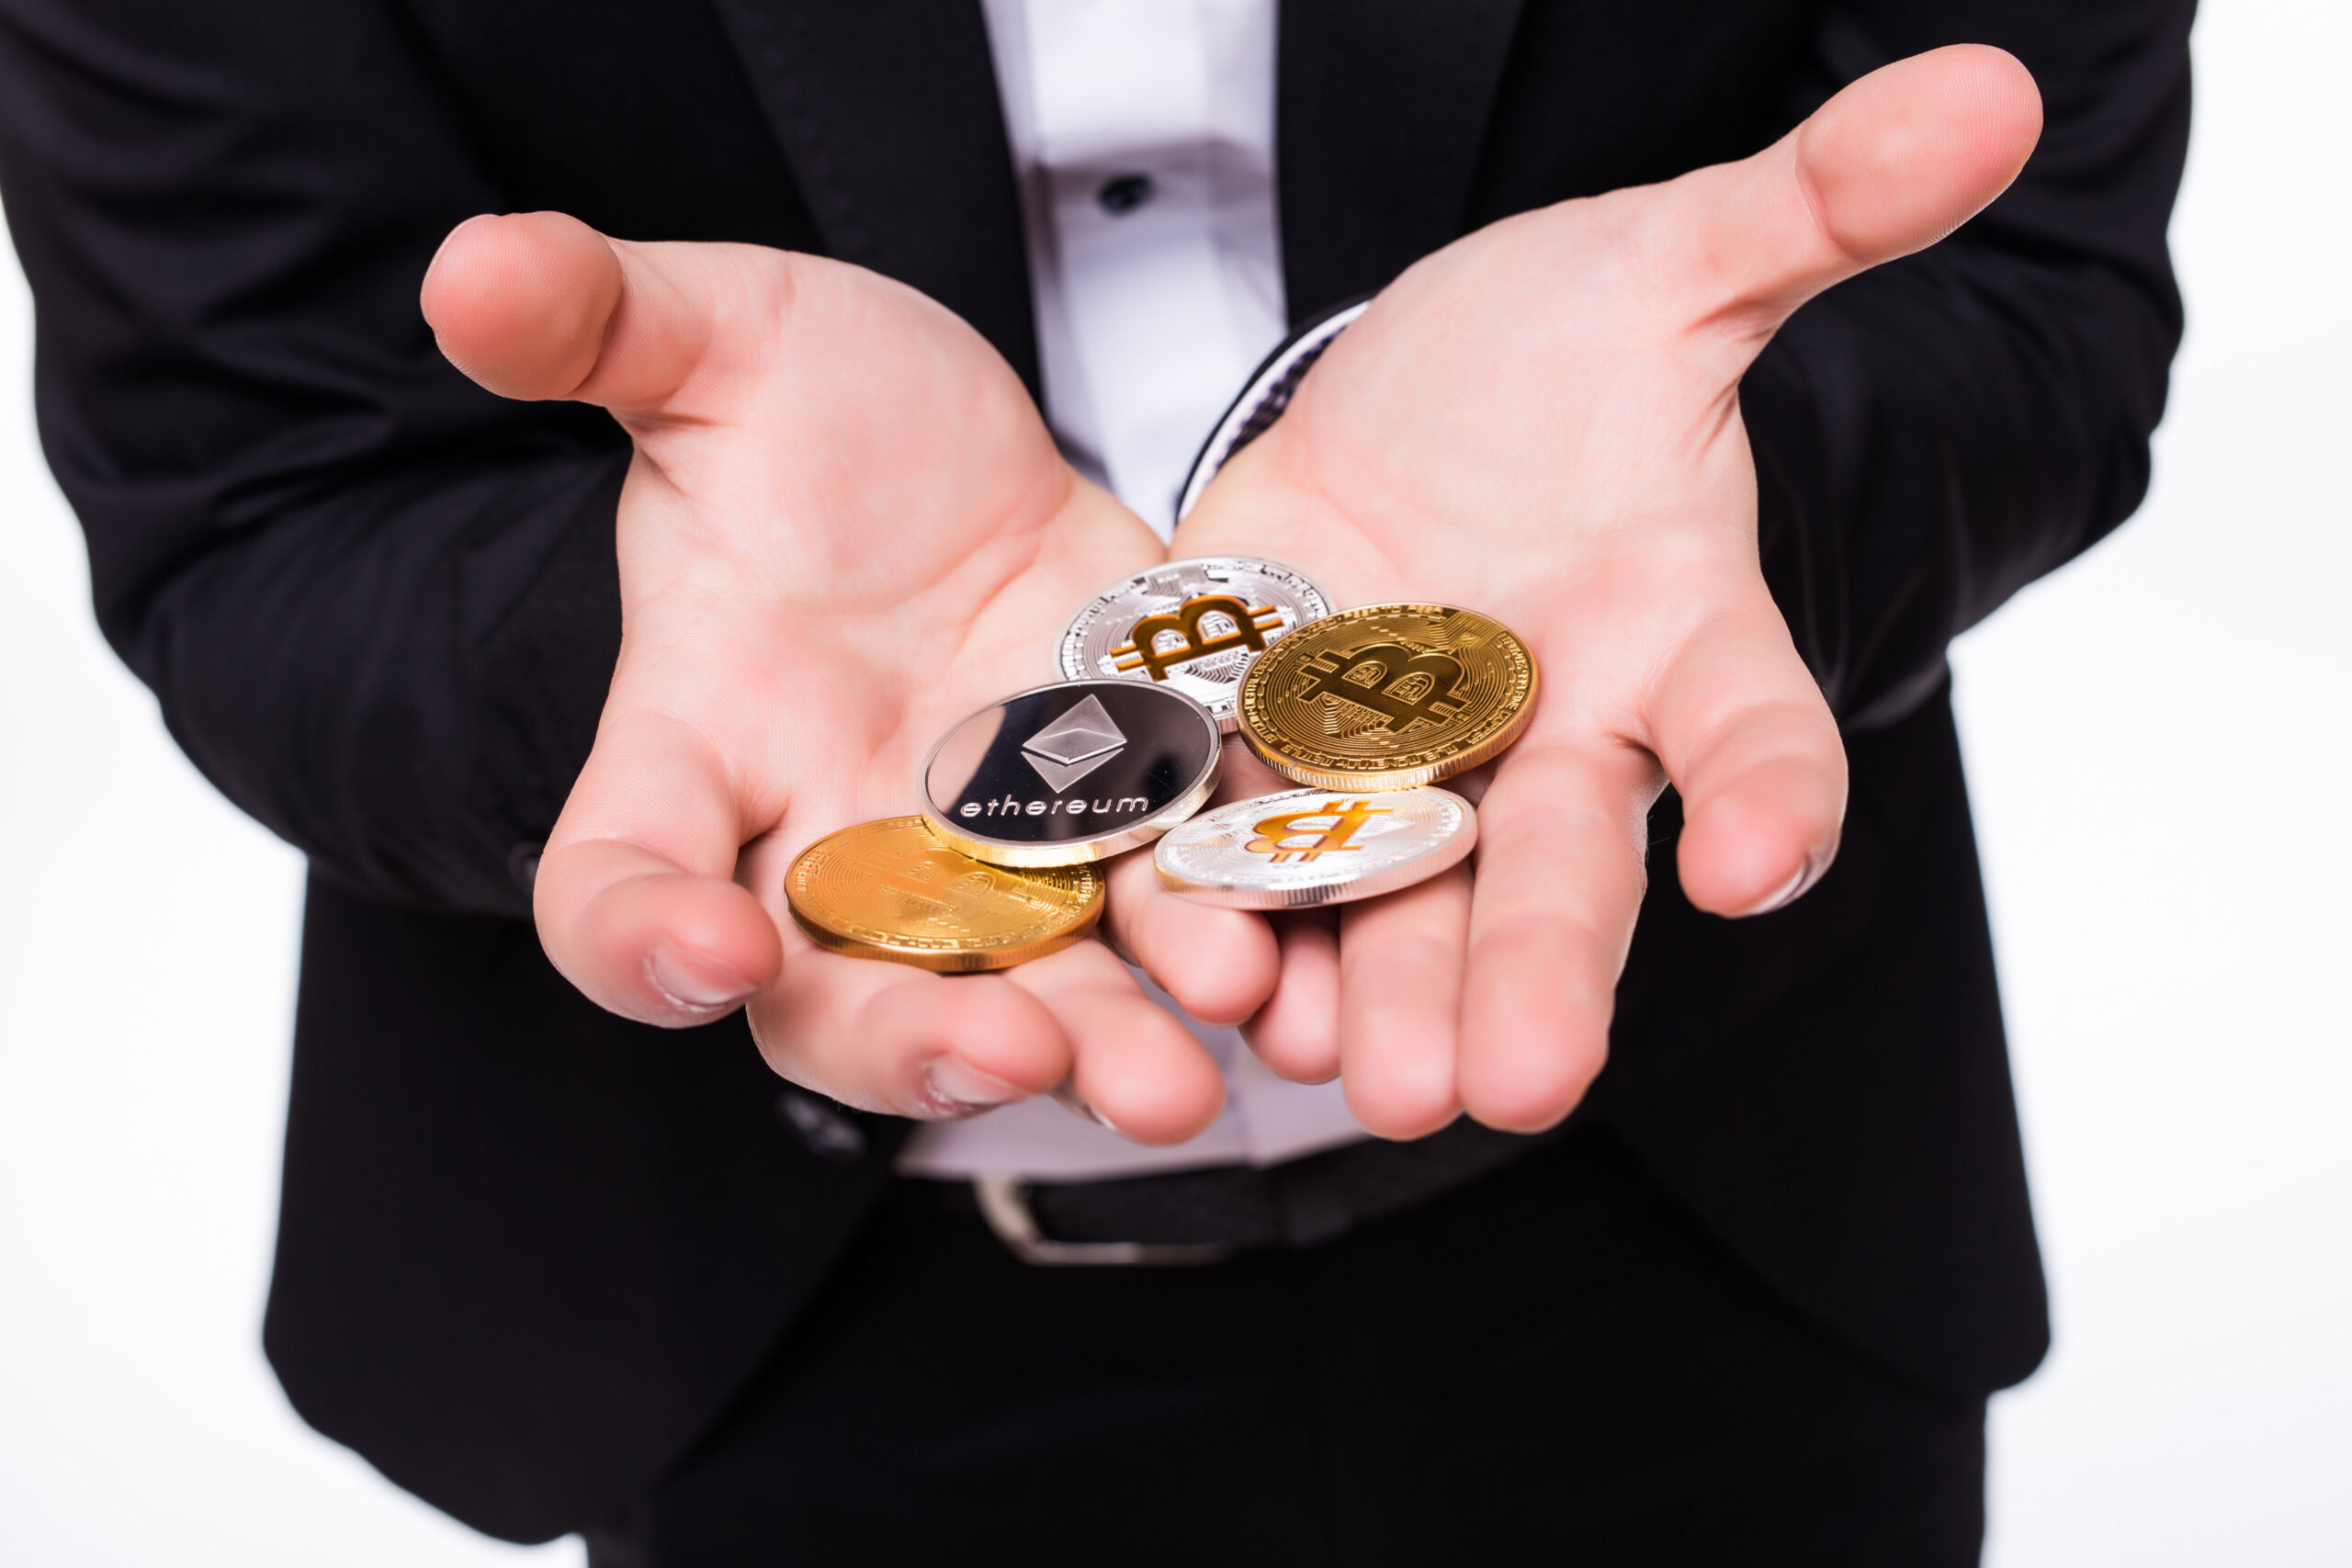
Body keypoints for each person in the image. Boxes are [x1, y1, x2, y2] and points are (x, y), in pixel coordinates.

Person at [0, 1, 2189, 1562]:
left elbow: (2029, 290)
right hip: (770, 1317)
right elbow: (256, 493)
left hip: (1725, 1211)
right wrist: (671, 679)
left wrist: (1717, 503)